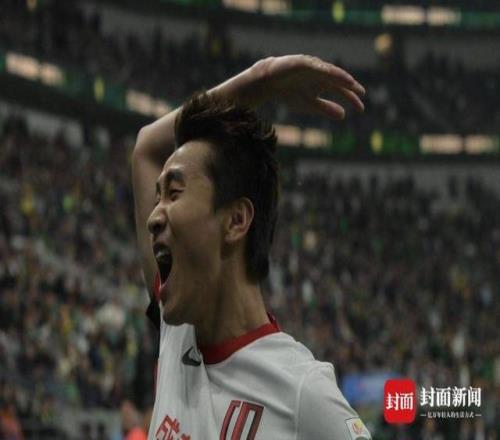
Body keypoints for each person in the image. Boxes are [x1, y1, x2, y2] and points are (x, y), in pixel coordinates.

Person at [132, 55, 370, 439]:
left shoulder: (304, 396)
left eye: (174, 193)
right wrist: (259, 82)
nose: (153, 216)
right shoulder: (178, 333)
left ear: (236, 220)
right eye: (157, 196)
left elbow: (146, 149)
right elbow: (146, 147)